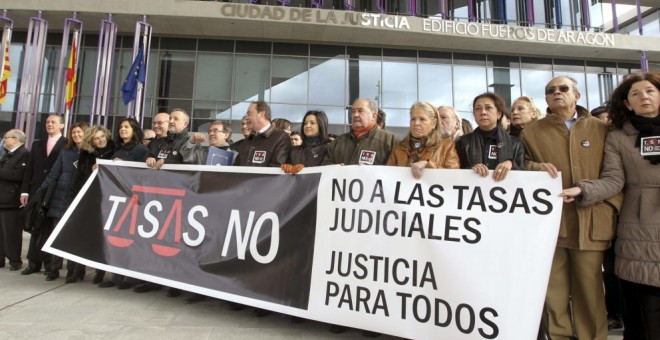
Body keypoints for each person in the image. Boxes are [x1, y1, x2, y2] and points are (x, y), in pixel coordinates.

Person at [520, 76, 623, 340]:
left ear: (576, 95)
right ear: (545, 99)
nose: (557, 93)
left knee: (590, 295)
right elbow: (521, 167)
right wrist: (536, 168)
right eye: (550, 90)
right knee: (554, 295)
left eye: (563, 88)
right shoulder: (531, 132)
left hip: (591, 224)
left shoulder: (602, 129)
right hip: (550, 227)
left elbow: (615, 178)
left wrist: (603, 204)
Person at [560, 72, 660, 339]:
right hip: (640, 227)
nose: (644, 97)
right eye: (635, 94)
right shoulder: (618, 136)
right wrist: (583, 189)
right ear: (627, 103)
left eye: (650, 91)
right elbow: (613, 179)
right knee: (644, 313)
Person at [97, 118, 148, 289]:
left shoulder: (141, 149)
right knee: (116, 239)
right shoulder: (116, 149)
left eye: (126, 127)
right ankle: (116, 276)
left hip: (132, 200)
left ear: (134, 130)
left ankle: (131, 276)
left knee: (131, 240)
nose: (123, 129)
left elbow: (142, 173)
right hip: (116, 199)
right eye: (120, 127)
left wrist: (124, 165)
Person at [34, 122, 88, 282]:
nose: (76, 135)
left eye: (79, 132)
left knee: (75, 237)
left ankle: (75, 270)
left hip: (80, 200)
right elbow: (53, 173)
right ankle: (54, 268)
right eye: (74, 133)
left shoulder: (91, 152)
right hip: (61, 198)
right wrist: (40, 192)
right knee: (57, 236)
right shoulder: (66, 151)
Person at [67, 125, 116, 284]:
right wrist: (91, 170)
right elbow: (80, 176)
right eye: (96, 138)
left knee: (101, 238)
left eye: (102, 136)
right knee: (82, 237)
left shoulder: (115, 151)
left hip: (107, 200)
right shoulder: (86, 154)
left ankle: (100, 271)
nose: (100, 140)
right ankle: (78, 270)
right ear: (91, 140)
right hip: (88, 198)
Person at [20, 114, 67, 276]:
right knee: (36, 228)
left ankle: (50, 264)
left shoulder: (67, 144)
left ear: (61, 125)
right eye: (47, 122)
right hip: (37, 192)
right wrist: (25, 190)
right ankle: (33, 263)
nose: (49, 124)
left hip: (55, 193)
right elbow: (30, 169)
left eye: (53, 122)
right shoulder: (37, 144)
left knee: (50, 229)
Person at [455, 92, 524, 181]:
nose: (483, 112)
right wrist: (471, 170)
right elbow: (455, 173)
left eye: (488, 108)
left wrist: (511, 164)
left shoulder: (515, 143)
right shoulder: (463, 142)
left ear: (499, 114)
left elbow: (523, 177)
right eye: (478, 109)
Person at [387, 102, 460, 178]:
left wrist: (429, 165)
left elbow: (454, 177)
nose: (416, 123)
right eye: (413, 119)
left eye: (422, 119)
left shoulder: (446, 147)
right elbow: (388, 177)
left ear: (434, 124)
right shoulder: (399, 148)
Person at [323, 98, 398, 166]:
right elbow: (326, 168)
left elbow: (397, 171)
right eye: (353, 112)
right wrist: (335, 169)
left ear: (374, 116)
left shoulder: (389, 140)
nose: (355, 115)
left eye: (360, 111)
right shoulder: (338, 142)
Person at [0, 129, 29, 271]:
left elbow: (19, 175)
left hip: (11, 199)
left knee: (11, 231)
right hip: (2, 197)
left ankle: (14, 260)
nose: (4, 139)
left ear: (16, 140)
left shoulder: (24, 154)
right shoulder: (7, 155)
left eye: (7, 137)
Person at [232, 101, 291, 167]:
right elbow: (236, 166)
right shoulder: (247, 140)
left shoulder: (281, 137)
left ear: (261, 114)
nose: (246, 118)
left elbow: (276, 169)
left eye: (249, 114)